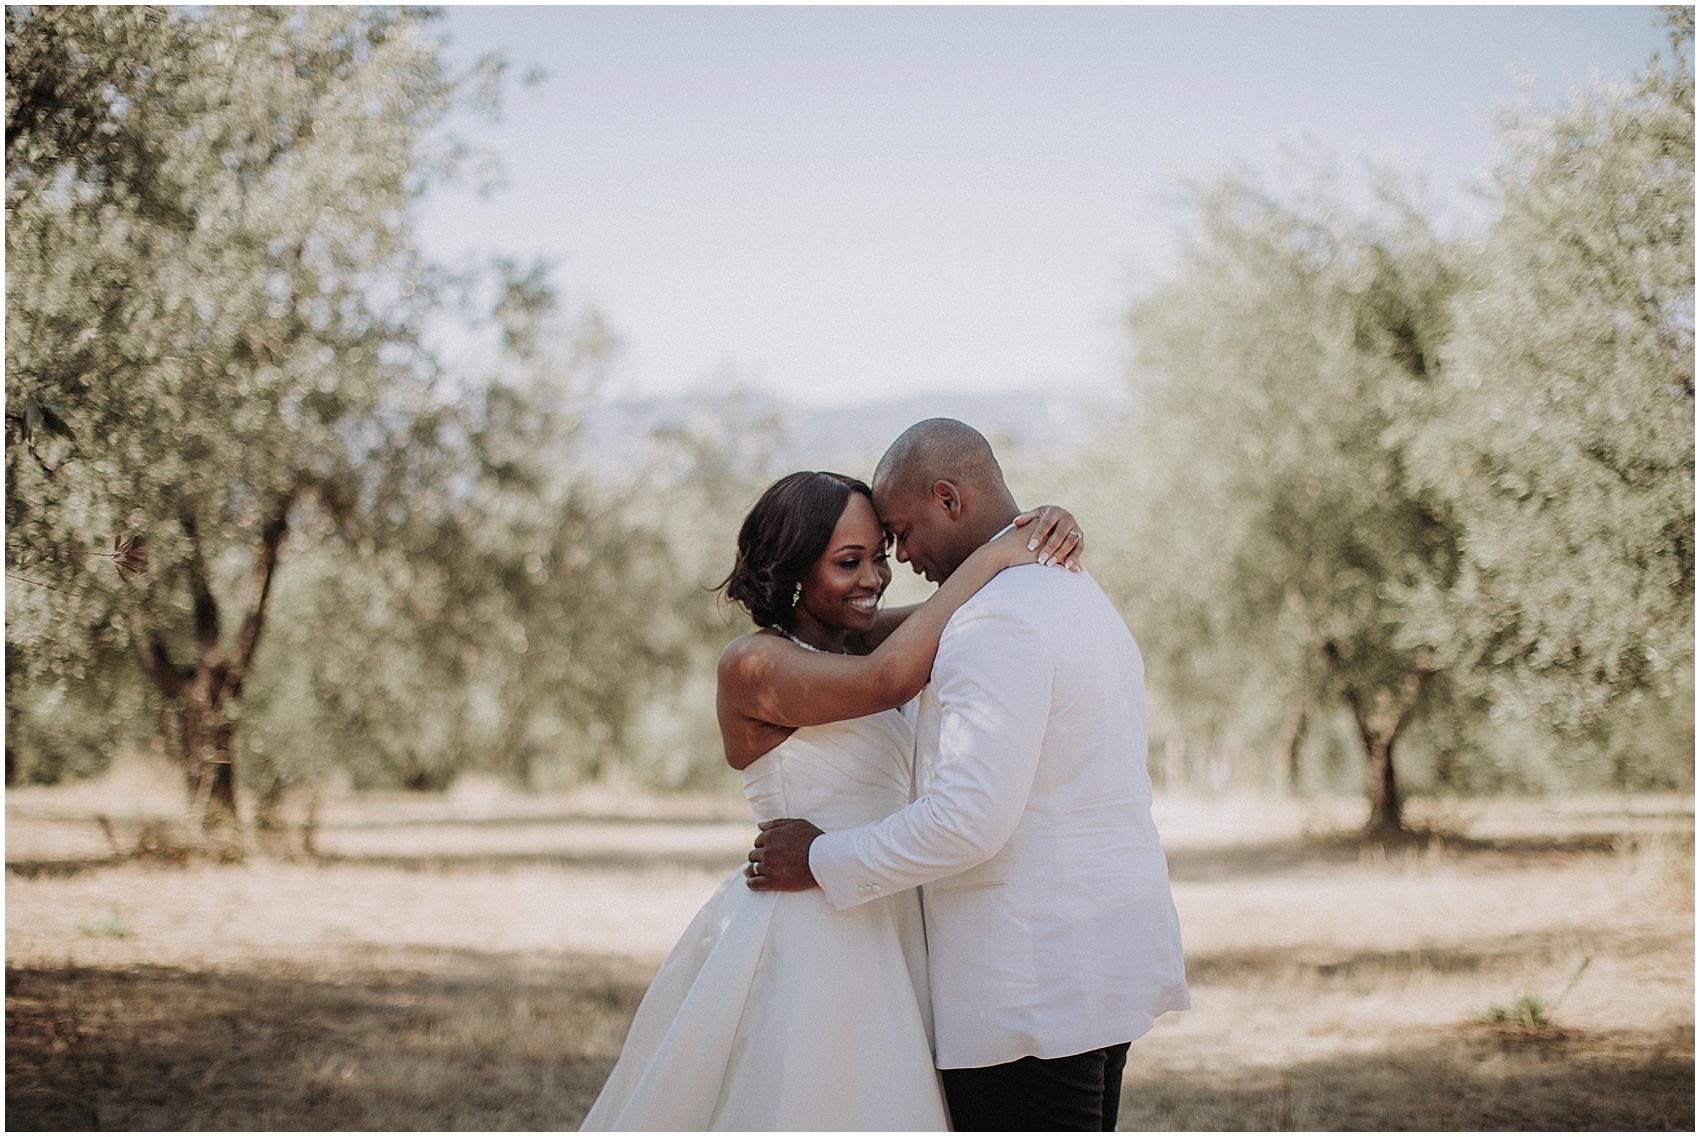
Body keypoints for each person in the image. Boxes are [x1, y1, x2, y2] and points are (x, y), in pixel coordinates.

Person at [579, 468, 1085, 1131]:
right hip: (809, 929)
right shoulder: (753, 664)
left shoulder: (859, 640)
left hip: (887, 913)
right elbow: (890, 676)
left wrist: (1045, 530)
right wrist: (997, 551)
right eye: (849, 561)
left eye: (879, 555)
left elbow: (958, 618)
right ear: (792, 571)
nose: (875, 576)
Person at [751, 419, 1190, 1131]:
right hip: (1097, 965)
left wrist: (819, 856)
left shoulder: (995, 623)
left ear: (948, 499)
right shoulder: (1073, 589)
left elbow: (966, 820)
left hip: (1030, 986)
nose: (900, 557)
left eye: (898, 533)